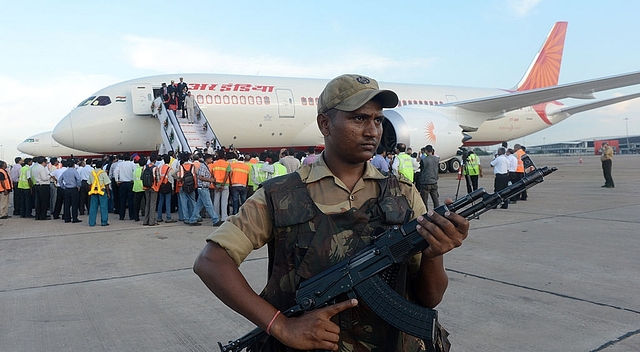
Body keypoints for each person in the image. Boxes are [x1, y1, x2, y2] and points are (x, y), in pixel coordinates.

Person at [193, 74, 469, 351]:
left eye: (377, 120)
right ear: (325, 124)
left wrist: (435, 255)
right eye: (359, 119)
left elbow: (429, 298)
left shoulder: (404, 194)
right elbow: (211, 261)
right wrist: (280, 325)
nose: (372, 131)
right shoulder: (280, 194)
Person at [188, 154, 219, 226]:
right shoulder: (203, 167)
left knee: (198, 205)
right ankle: (215, 220)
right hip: (203, 188)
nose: (212, 160)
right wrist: (210, 180)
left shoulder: (204, 166)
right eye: (211, 159)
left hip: (203, 188)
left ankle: (193, 219)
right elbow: (201, 177)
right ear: (207, 159)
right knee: (209, 205)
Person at [87, 160, 111, 227]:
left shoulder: (92, 173)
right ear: (102, 166)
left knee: (93, 207)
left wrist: (91, 190)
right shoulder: (103, 173)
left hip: (94, 191)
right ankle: (104, 222)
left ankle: (91, 222)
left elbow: (89, 183)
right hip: (102, 191)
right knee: (103, 207)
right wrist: (108, 193)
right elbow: (106, 184)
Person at [419, 145, 440, 211]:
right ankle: (438, 211)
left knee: (424, 200)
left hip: (425, 182)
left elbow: (422, 169)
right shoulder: (436, 159)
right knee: (435, 199)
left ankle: (426, 213)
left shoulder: (424, 160)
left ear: (426, 151)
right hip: (434, 181)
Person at [156, 154, 176, 223]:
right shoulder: (170, 169)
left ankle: (159, 217)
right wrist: (173, 188)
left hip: (161, 186)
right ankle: (168, 217)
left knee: (160, 202)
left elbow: (158, 177)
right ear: (170, 160)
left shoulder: (160, 167)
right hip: (167, 186)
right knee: (167, 202)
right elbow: (171, 179)